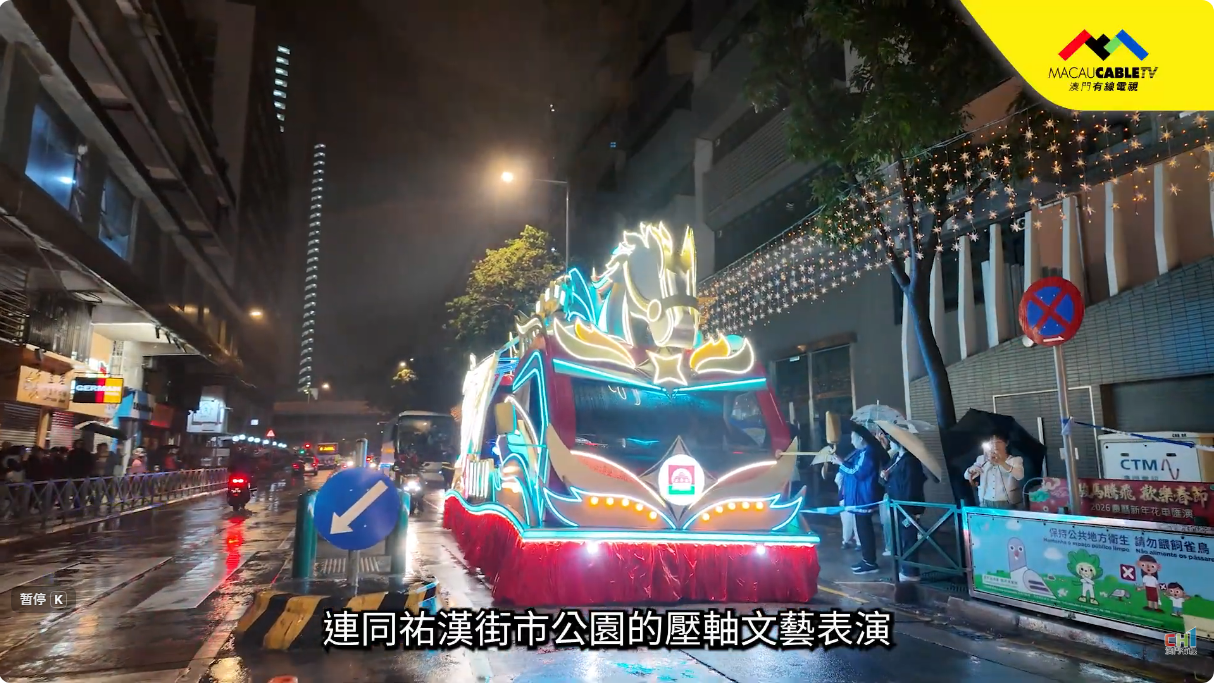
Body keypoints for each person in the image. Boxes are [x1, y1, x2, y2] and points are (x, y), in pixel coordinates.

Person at [832, 422, 886, 575]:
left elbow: (858, 473)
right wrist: (842, 461)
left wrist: (841, 463)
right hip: (859, 497)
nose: (851, 441)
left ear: (861, 439)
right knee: (862, 531)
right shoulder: (862, 452)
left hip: (864, 497)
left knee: (865, 530)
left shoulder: (868, 453)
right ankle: (867, 559)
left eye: (853, 438)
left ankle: (870, 562)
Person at [879, 429, 930, 582]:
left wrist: (909, 510)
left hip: (906, 507)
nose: (890, 442)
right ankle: (905, 568)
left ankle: (911, 572)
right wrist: (885, 477)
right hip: (896, 504)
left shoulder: (911, 460)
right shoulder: (897, 457)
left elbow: (910, 486)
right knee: (903, 538)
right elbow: (888, 478)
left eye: (892, 440)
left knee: (909, 538)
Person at [965, 437, 1024, 509]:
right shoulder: (982, 459)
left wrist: (1002, 462)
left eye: (999, 442)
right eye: (992, 443)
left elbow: (1020, 475)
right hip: (986, 501)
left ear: (1006, 443)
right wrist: (971, 471)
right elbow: (966, 476)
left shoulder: (1015, 460)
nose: (995, 445)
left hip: (1007, 502)